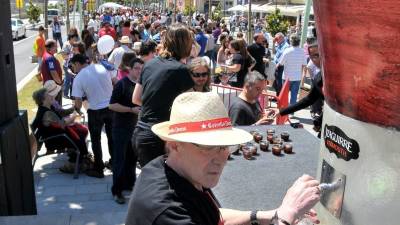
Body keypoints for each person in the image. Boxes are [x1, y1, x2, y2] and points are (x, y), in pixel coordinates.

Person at [125, 91, 321, 225]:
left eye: (225, 145)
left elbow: (214, 217)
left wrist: (269, 215)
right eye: (208, 146)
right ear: (175, 145)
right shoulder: (168, 211)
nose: (222, 158)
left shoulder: (173, 170)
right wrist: (286, 216)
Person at [131, 24, 194, 167]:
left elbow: (136, 98)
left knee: (150, 184)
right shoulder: (181, 70)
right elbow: (192, 107)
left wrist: (156, 104)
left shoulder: (149, 64)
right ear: (187, 45)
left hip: (141, 133)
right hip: (160, 138)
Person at [71, 54, 113, 178]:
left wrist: (76, 110)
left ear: (78, 63)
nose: (73, 69)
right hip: (110, 108)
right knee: (111, 137)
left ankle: (98, 168)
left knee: (96, 140)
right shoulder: (101, 68)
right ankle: (114, 163)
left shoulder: (79, 77)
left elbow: (78, 101)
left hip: (95, 110)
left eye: (73, 66)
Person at [31, 82, 90, 173]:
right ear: (43, 100)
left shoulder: (48, 107)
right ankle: (76, 162)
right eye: (48, 96)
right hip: (56, 139)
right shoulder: (47, 113)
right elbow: (63, 124)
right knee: (79, 135)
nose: (51, 96)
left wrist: (74, 109)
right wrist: (74, 116)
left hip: (58, 135)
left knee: (79, 131)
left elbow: (61, 114)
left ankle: (79, 158)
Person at [109, 58, 144, 204]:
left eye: (141, 69)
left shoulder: (141, 85)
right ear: (129, 69)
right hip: (120, 128)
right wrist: (130, 109)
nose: (139, 71)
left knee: (132, 159)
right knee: (119, 160)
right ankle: (117, 191)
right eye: (136, 68)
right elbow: (111, 105)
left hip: (135, 128)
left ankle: (130, 185)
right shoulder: (122, 84)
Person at [277, 34, 307, 106]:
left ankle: (284, 109)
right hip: (297, 77)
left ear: (291, 41)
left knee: (285, 94)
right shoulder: (302, 51)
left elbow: (281, 63)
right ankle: (291, 111)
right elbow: (304, 65)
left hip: (286, 77)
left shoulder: (287, 51)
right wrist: (303, 75)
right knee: (294, 95)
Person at [41, 40, 63, 104]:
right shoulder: (49, 58)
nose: (57, 48)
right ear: (50, 47)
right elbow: (53, 72)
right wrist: (60, 83)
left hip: (50, 85)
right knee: (57, 106)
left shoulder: (46, 55)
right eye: (55, 46)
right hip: (54, 87)